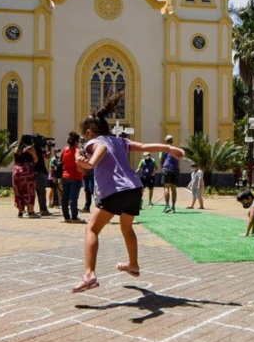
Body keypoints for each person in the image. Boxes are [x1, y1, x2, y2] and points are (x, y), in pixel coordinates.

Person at [71, 91, 184, 293]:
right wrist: (169, 148)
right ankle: (133, 264)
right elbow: (143, 146)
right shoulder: (119, 141)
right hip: (134, 189)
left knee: (92, 229)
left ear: (89, 132)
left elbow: (99, 151)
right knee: (126, 227)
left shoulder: (93, 142)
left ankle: (89, 274)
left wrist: (89, 162)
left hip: (115, 191)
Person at [12, 134, 40, 218]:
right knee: (29, 190)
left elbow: (15, 161)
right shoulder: (30, 148)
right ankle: (30, 211)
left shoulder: (16, 149)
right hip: (27, 170)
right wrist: (33, 154)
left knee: (18, 191)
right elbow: (35, 159)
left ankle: (20, 212)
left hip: (16, 171)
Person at [59, 132, 85, 222]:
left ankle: (66, 217)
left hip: (65, 176)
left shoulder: (65, 150)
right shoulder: (77, 150)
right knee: (73, 198)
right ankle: (74, 217)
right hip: (76, 177)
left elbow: (60, 161)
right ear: (76, 141)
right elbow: (79, 161)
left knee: (65, 198)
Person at [160, 135, 180, 213]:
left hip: (166, 169)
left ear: (166, 141)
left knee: (166, 187)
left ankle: (167, 205)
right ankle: (173, 207)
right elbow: (178, 160)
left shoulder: (163, 149)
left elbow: (161, 160)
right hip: (175, 169)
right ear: (172, 141)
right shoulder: (176, 150)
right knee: (174, 188)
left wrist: (162, 167)